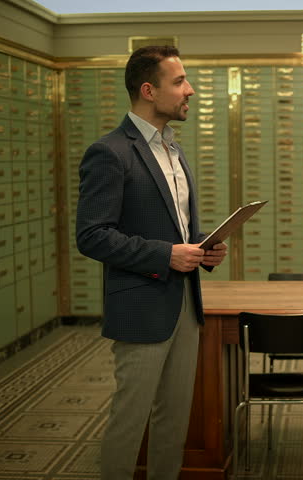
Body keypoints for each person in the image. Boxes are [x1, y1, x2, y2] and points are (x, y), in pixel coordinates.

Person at [76, 45, 227, 480]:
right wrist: (166, 255)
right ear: (148, 90)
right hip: (141, 307)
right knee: (130, 419)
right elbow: (92, 235)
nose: (190, 90)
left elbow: (173, 228)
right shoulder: (110, 152)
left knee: (174, 419)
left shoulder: (174, 151)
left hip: (185, 303)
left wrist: (202, 248)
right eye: (179, 82)